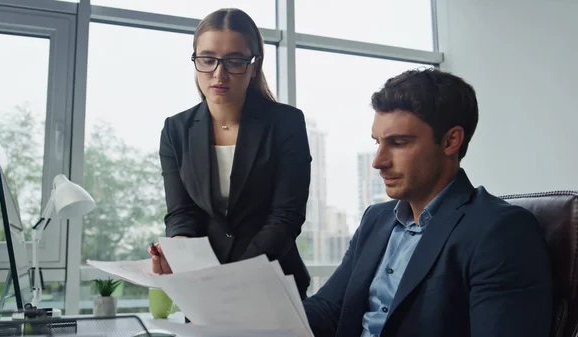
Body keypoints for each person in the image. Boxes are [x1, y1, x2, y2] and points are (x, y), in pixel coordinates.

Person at [303, 68, 553, 337]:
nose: (378, 162)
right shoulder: (375, 219)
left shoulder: (502, 231)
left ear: (450, 141)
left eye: (398, 143)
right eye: (377, 143)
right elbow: (329, 308)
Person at [147, 8, 312, 300]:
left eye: (234, 60)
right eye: (207, 60)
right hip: (203, 288)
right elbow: (181, 212)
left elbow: (285, 218)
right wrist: (179, 248)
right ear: (195, 60)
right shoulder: (176, 130)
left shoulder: (286, 123)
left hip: (271, 283)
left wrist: (232, 278)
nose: (218, 73)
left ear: (254, 65)